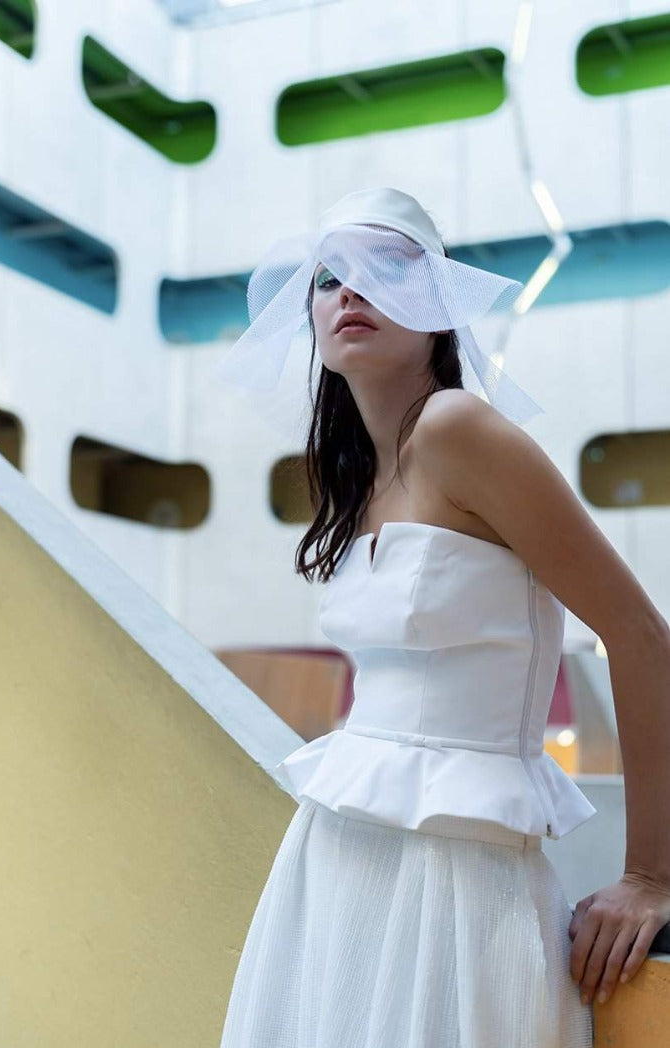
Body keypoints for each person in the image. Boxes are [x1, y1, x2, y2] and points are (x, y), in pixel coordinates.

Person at [215, 188, 670, 1047]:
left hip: (458, 875)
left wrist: (649, 875)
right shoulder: (359, 474)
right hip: (334, 862)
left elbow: (643, 637)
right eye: (327, 277)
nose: (350, 291)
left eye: (383, 268)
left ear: (437, 307)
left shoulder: (459, 429)